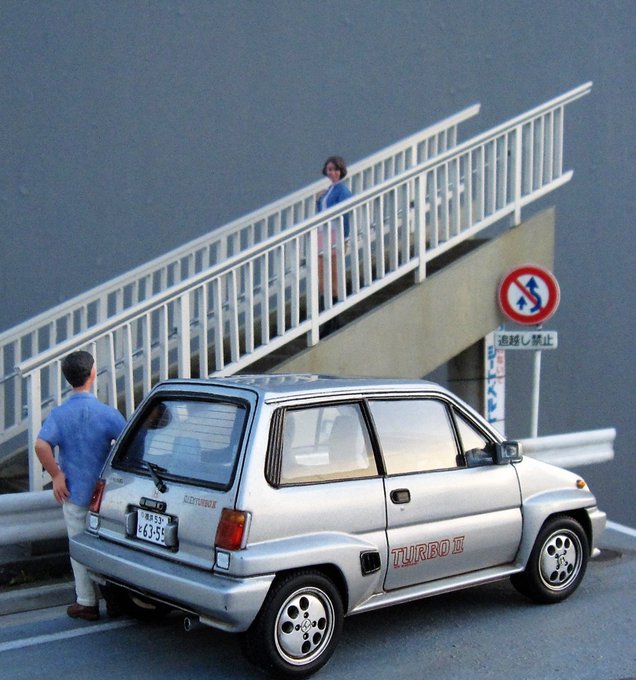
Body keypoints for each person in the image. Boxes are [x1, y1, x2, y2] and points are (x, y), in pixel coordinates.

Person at [35, 350, 126, 621]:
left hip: (73, 491)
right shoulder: (108, 413)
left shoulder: (60, 414)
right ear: (93, 373)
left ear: (67, 379)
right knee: (110, 545)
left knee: (78, 547)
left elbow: (41, 445)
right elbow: (127, 443)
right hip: (105, 495)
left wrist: (56, 475)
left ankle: (86, 601)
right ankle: (116, 599)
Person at [315, 155, 353, 302]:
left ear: (341, 171)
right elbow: (322, 212)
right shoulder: (329, 190)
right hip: (322, 233)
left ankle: (335, 306)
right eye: (330, 169)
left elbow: (345, 214)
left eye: (336, 170)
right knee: (321, 273)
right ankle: (324, 303)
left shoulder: (342, 190)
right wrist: (318, 201)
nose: (333, 173)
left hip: (335, 233)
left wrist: (345, 236)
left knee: (333, 274)